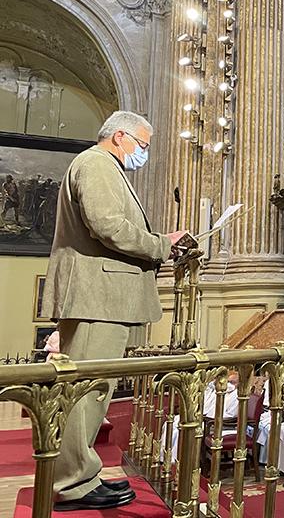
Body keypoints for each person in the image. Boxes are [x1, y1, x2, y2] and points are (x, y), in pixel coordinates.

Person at [43, 111, 185, 511]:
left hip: (101, 296)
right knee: (84, 392)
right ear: (120, 136)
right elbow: (108, 225)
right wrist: (161, 244)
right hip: (95, 296)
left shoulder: (101, 165)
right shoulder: (96, 163)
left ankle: (80, 475)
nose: (144, 153)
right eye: (143, 145)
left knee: (92, 391)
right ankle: (73, 484)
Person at [167, 371, 240, 463]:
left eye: (232, 382)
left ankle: (180, 460)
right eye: (227, 381)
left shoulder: (236, 395)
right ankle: (166, 456)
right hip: (207, 420)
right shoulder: (219, 391)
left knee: (185, 430)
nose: (229, 384)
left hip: (220, 425)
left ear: (238, 384)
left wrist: (207, 418)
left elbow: (231, 416)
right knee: (172, 423)